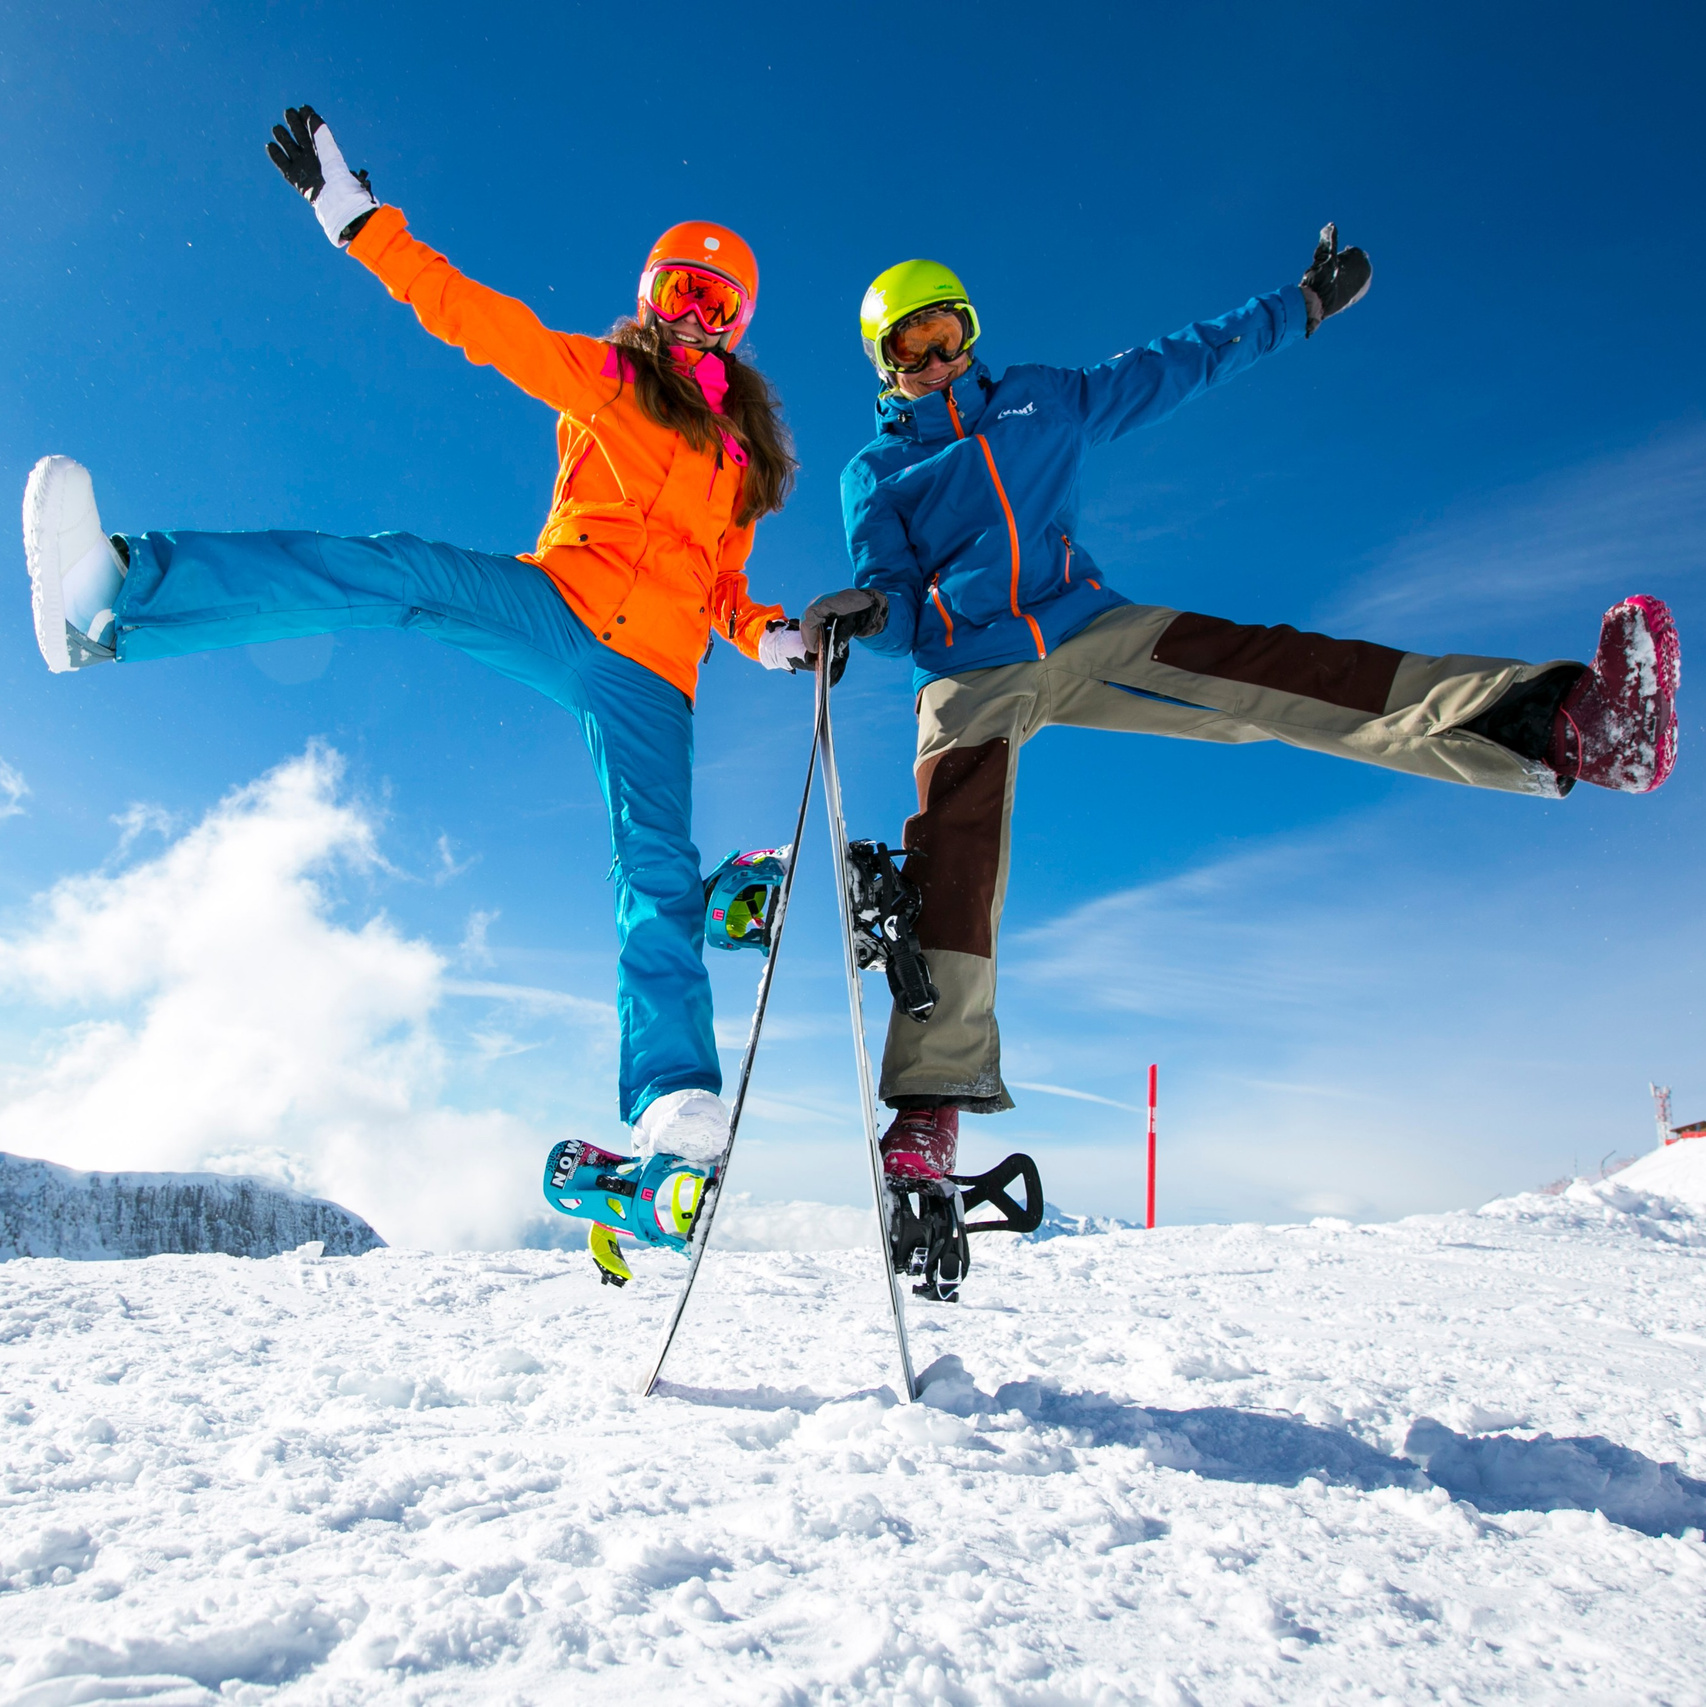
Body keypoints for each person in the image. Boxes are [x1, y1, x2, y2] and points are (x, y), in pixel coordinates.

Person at [22, 106, 816, 1279]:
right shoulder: (607, 381)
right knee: (389, 568)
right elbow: (476, 320)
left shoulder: (739, 463)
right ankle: (114, 600)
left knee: (651, 875)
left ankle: (673, 1112)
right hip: (557, 605)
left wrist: (765, 637)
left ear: (737, 325)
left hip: (658, 678)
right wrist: (357, 220)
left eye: (714, 303)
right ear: (649, 300)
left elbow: (726, 584)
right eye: (675, 291)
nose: (690, 314)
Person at [802, 229, 1680, 1190]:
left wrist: (1298, 306)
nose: (937, 361)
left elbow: (1177, 364)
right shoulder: (873, 473)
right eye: (910, 348)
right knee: (952, 834)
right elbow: (886, 588)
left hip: (1086, 624)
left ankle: (1566, 725)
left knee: (1271, 665)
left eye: (948, 333)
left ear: (972, 330)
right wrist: (872, 611)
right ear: (884, 366)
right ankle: (929, 1108)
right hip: (968, 667)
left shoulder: (1041, 399)